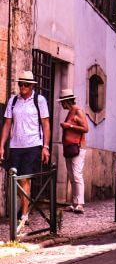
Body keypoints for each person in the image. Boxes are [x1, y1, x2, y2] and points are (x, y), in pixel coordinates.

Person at [0, 71, 51, 229]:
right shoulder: (13, 101)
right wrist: (2, 146)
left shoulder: (39, 100)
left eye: (26, 84)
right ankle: (23, 208)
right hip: (16, 146)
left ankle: (24, 214)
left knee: (24, 179)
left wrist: (45, 147)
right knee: (15, 181)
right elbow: (7, 124)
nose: (22, 87)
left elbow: (46, 125)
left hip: (33, 144)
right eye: (20, 84)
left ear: (32, 86)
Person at [58, 88, 88, 213]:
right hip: (69, 147)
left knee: (77, 175)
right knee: (72, 175)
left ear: (67, 101)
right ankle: (74, 202)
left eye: (62, 102)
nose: (61, 105)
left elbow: (85, 128)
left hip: (78, 147)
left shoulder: (77, 111)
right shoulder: (70, 112)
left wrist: (68, 125)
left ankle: (80, 204)